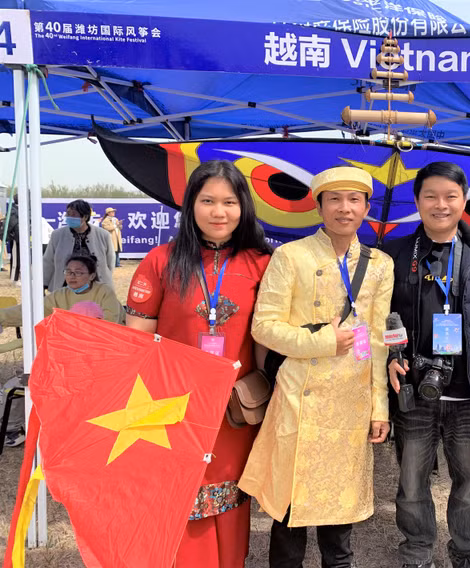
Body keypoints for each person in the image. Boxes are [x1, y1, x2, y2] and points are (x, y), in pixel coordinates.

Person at [238, 166, 393, 568]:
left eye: (354, 200)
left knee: (338, 521)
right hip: (299, 397)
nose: (345, 208)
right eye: (335, 200)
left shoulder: (380, 264)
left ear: (365, 208)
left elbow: (373, 341)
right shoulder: (291, 256)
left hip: (350, 401)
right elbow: (263, 326)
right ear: (319, 206)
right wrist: (324, 340)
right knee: (288, 518)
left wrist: (380, 408)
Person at [125, 160, 272, 568]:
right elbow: (138, 338)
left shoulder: (261, 262)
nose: (218, 211)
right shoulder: (160, 260)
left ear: (243, 207)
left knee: (227, 494)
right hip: (174, 406)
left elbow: (264, 340)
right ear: (191, 205)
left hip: (234, 409)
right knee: (181, 496)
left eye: (229, 201)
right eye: (207, 200)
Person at [381, 162, 470, 568]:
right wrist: (391, 358)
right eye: (430, 196)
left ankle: (465, 551)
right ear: (418, 201)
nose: (440, 205)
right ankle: (418, 550)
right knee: (410, 484)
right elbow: (380, 320)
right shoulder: (395, 254)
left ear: (463, 199)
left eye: (450, 196)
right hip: (414, 392)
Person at [1, 254, 124, 449]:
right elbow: (30, 311)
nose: (72, 276)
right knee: (24, 381)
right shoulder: (60, 295)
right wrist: (2, 316)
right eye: (68, 272)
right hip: (68, 356)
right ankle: (14, 428)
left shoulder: (104, 293)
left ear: (92, 276)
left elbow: (109, 325)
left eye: (78, 272)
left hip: (103, 357)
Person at [44, 200, 115, 292]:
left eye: (73, 214)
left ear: (85, 217)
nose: (69, 217)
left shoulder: (103, 235)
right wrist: (44, 284)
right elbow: (48, 261)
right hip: (65, 287)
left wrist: (104, 275)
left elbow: (110, 261)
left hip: (95, 288)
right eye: (68, 214)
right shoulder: (57, 235)